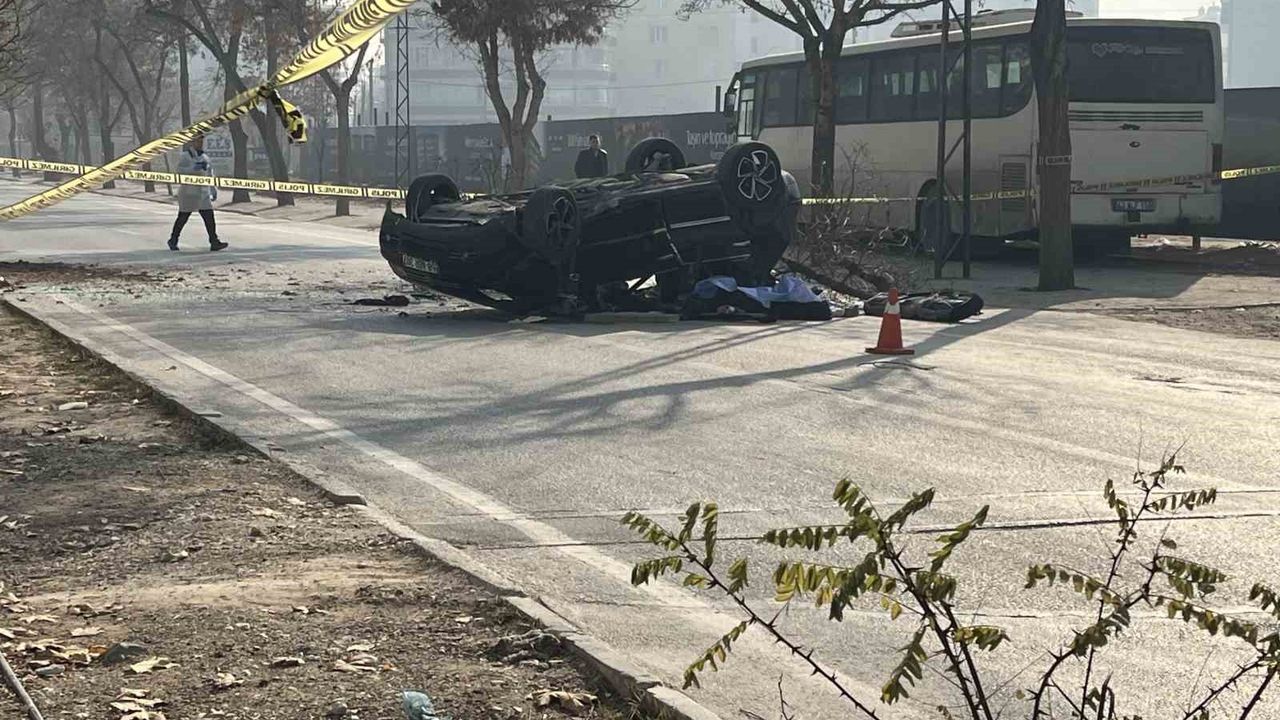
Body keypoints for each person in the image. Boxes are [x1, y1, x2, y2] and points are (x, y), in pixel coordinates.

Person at [168, 135, 227, 252]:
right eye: (197, 141)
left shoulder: (205, 157)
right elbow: (179, 171)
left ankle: (214, 241)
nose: (199, 144)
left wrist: (213, 189)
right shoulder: (185, 156)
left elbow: (209, 174)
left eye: (201, 141)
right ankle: (173, 240)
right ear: (192, 142)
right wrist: (193, 168)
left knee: (209, 217)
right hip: (188, 192)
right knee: (183, 217)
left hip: (203, 193)